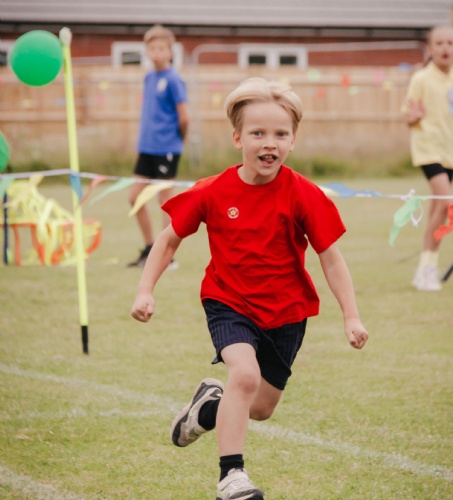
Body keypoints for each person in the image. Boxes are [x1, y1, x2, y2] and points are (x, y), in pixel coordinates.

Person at [131, 77, 369, 499]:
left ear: (293, 140)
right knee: (243, 375)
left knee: (260, 407)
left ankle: (207, 408)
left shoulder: (304, 194)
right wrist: (145, 290)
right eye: (258, 133)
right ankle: (232, 477)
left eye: (280, 134)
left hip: (287, 312)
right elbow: (167, 241)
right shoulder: (212, 191)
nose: (269, 143)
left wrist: (351, 315)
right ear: (237, 137)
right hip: (229, 301)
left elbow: (330, 257)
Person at [402, 25, 453, 291]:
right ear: (430, 49)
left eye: (450, 43)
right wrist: (413, 117)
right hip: (427, 150)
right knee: (446, 203)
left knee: (437, 209)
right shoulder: (421, 79)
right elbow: (408, 114)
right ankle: (429, 268)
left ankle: (424, 268)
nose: (445, 48)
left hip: (450, 153)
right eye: (439, 43)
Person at [127, 24, 189, 268]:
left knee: (166, 203)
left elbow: (184, 117)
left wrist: (178, 141)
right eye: (152, 49)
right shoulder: (149, 77)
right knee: (134, 197)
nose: (156, 53)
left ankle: (167, 256)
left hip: (167, 149)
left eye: (161, 48)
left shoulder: (174, 79)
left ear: (170, 52)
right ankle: (149, 248)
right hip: (146, 148)